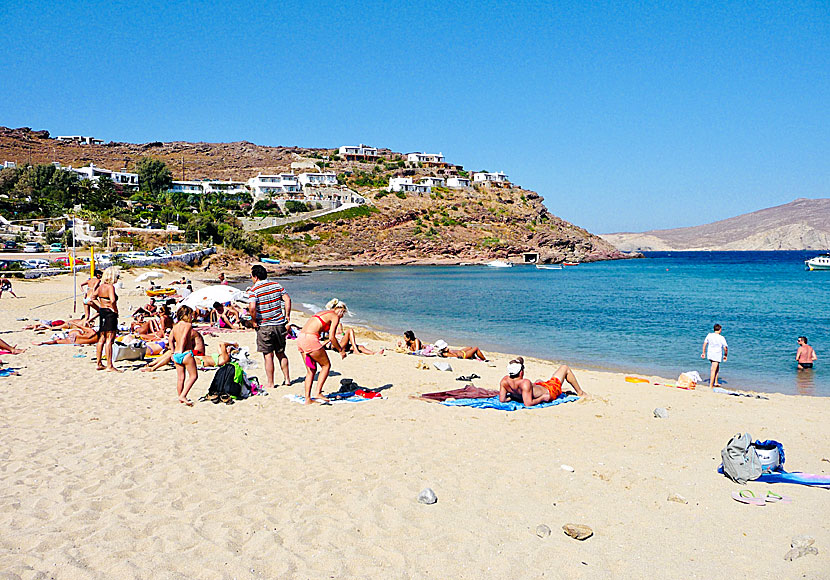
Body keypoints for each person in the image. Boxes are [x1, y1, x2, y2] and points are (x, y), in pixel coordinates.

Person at [297, 298, 348, 404]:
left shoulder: (322, 313)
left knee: (311, 371)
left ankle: (308, 399)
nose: (342, 316)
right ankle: (318, 392)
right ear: (340, 310)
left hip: (301, 338)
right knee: (326, 366)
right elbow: (332, 337)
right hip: (310, 339)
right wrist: (341, 350)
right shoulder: (335, 316)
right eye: (343, 313)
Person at [247, 264, 291, 389]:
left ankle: (271, 383)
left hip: (265, 325)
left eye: (251, 276)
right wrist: (287, 315)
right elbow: (287, 299)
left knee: (268, 355)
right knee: (281, 353)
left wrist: (254, 321)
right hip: (279, 324)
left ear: (255, 277)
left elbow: (252, 307)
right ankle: (287, 379)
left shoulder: (254, 290)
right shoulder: (277, 285)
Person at [499, 356, 585, 407]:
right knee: (564, 368)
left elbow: (502, 399)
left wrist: (513, 397)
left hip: (540, 386)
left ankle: (562, 390)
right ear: (521, 372)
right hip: (550, 390)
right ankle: (580, 392)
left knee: (538, 381)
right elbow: (528, 403)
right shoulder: (525, 383)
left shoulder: (504, 381)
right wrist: (542, 398)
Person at [93, 266, 122, 372]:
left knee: (101, 338)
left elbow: (92, 298)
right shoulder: (110, 287)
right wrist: (114, 309)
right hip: (110, 313)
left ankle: (99, 362)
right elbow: (113, 300)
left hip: (103, 312)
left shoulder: (101, 287)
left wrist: (100, 306)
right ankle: (109, 365)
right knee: (109, 339)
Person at [170, 305, 198, 406]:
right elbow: (184, 338)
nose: (192, 317)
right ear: (186, 315)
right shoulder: (188, 325)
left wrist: (173, 352)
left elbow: (170, 340)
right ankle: (183, 395)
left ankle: (180, 396)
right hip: (185, 353)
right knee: (193, 376)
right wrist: (181, 350)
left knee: (180, 378)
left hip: (176, 354)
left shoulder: (175, 326)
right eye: (191, 314)